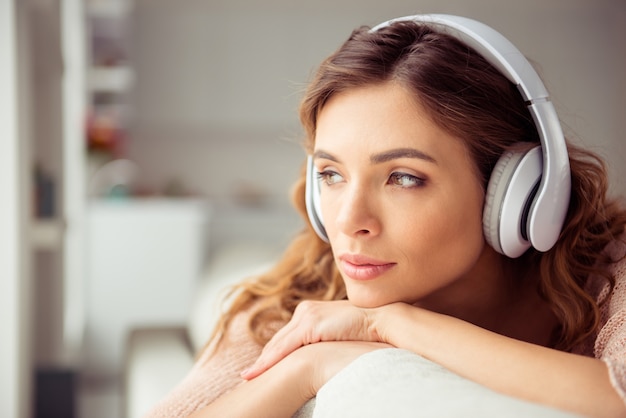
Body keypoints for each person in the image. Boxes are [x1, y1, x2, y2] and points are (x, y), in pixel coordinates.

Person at [144, 14, 626, 418]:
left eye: (404, 177)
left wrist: (393, 325)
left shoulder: (610, 271)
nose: (351, 221)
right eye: (332, 175)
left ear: (517, 193)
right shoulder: (298, 301)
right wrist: (304, 368)